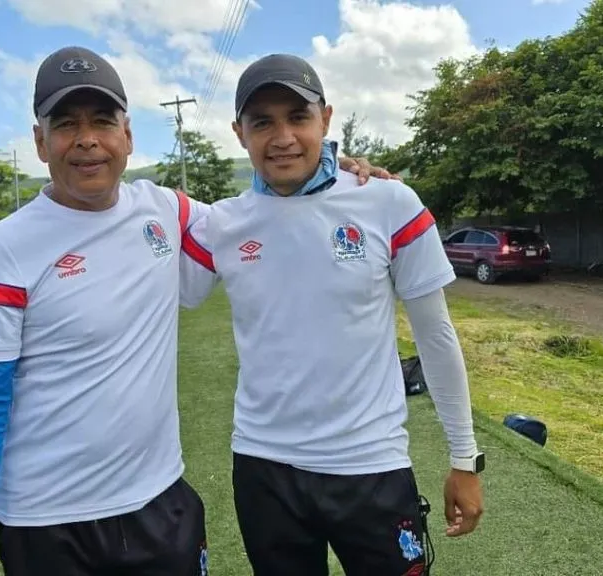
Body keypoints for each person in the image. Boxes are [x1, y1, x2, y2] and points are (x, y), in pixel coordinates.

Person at [0, 46, 395, 576]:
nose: (87, 139)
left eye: (102, 121)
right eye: (65, 124)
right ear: (41, 142)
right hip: (48, 521)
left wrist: (336, 172)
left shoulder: (165, 210)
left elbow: (268, 209)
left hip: (160, 503)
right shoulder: (6, 247)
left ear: (127, 135)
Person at [178, 53, 485, 576]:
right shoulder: (221, 224)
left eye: (298, 117)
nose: (283, 138)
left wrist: (465, 457)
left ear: (325, 119)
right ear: (239, 132)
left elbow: (436, 337)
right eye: (262, 122)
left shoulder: (389, 203)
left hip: (371, 465)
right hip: (264, 468)